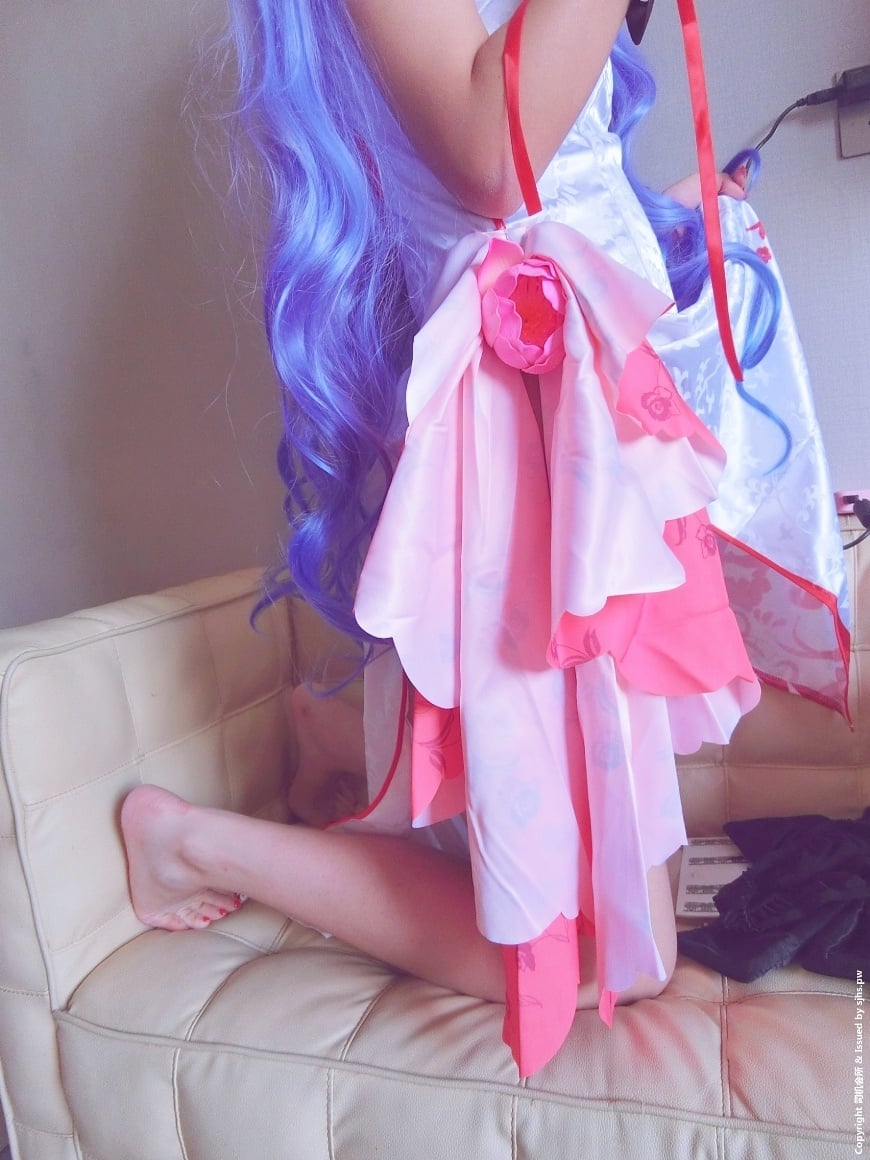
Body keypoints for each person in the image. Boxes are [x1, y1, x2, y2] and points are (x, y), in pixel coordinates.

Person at [122, 0, 848, 1077]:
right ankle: (189, 842)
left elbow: (550, 166)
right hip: (522, 459)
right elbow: (491, 152)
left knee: (630, 897)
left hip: (571, 452)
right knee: (617, 957)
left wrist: (667, 231)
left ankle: (343, 747)